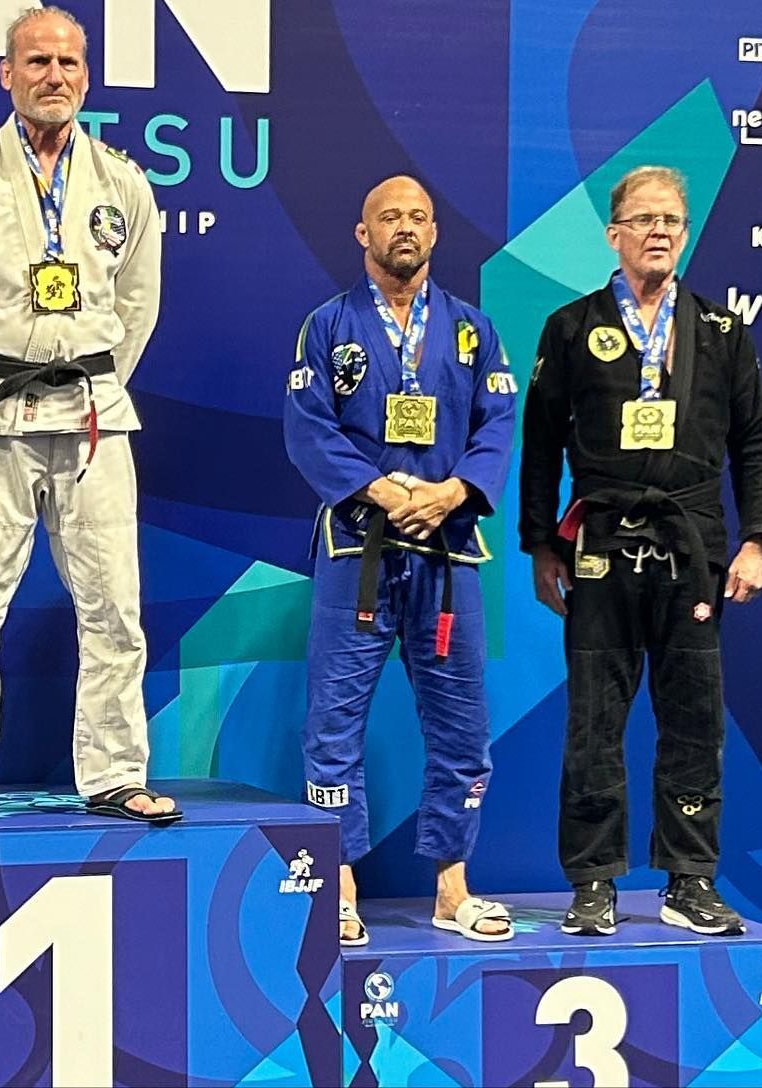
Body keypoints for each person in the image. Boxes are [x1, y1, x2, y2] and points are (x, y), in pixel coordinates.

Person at [0, 5, 178, 829]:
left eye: (69, 62)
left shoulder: (123, 180)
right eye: (37, 61)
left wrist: (92, 380)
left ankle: (117, 771)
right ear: (6, 75)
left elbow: (139, 303)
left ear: (86, 77)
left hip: (91, 413)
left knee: (116, 604)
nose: (54, 75)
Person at [519, 165, 762, 936]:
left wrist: (759, 539)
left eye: (672, 219)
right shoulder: (571, 327)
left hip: (693, 545)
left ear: (687, 232)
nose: (659, 231)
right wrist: (541, 545)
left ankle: (690, 878)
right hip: (599, 544)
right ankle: (594, 881)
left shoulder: (722, 332)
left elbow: (755, 443)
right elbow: (539, 445)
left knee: (695, 720)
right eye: (643, 220)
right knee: (594, 720)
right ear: (614, 234)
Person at [284, 176, 517, 946]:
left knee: (461, 725)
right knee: (333, 723)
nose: (405, 228)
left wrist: (454, 490)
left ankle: (452, 888)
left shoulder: (473, 331)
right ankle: (340, 884)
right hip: (360, 549)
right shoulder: (327, 325)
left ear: (436, 233)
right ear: (363, 234)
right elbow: (308, 426)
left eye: (419, 216)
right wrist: (379, 488)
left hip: (448, 552)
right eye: (390, 216)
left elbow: (496, 423)